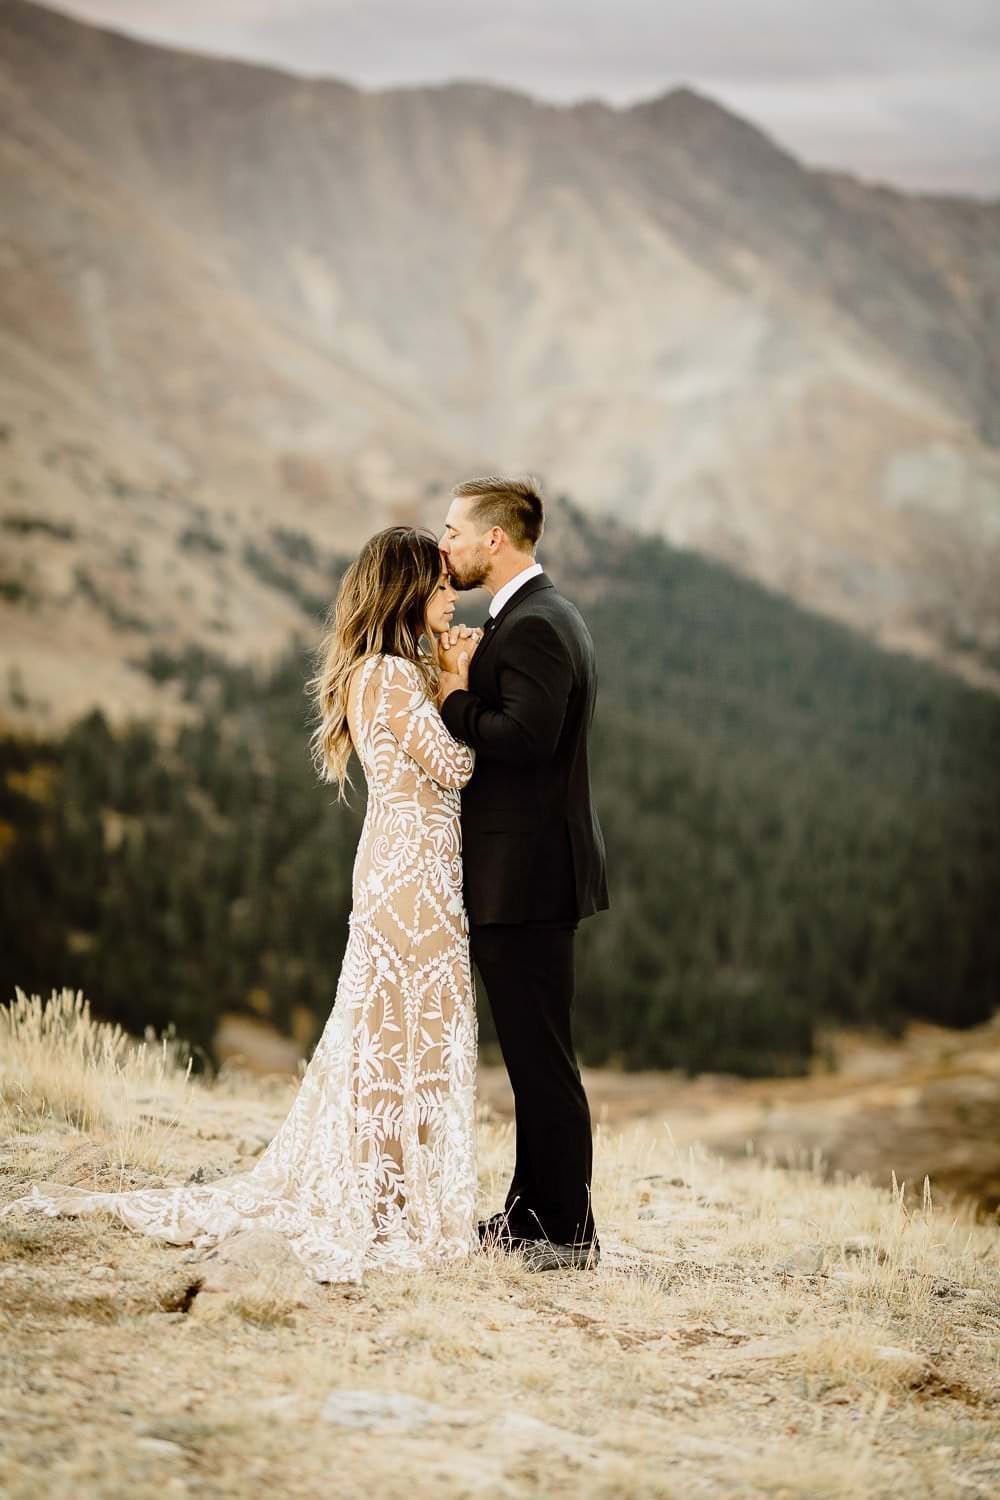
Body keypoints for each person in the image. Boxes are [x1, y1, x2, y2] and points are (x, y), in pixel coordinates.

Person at [0, 528, 483, 1285]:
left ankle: (391, 1202)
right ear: (409, 590)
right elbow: (455, 766)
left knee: (395, 1042)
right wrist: (458, 681)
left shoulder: (377, 670)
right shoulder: (391, 676)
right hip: (412, 880)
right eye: (443, 586)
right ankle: (387, 1210)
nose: (454, 598)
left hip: (405, 870)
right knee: (398, 1046)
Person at [436, 475, 609, 1273]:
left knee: (543, 1059)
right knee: (533, 1055)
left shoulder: (536, 624)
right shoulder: (542, 615)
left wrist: (454, 699)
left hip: (529, 877)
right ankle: (527, 1217)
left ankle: (568, 1235)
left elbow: (526, 737)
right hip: (530, 872)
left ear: (494, 541)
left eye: (454, 533)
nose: (447, 548)